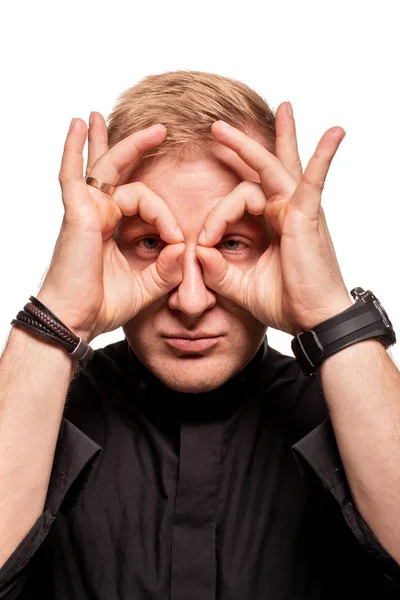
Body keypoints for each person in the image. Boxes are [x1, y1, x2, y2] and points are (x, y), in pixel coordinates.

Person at [0, 70, 399, 599]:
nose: (191, 301)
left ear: (278, 245)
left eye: (232, 243)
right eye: (148, 242)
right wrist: (61, 316)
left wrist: (327, 309)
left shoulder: (351, 407)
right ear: (107, 246)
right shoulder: (32, 404)